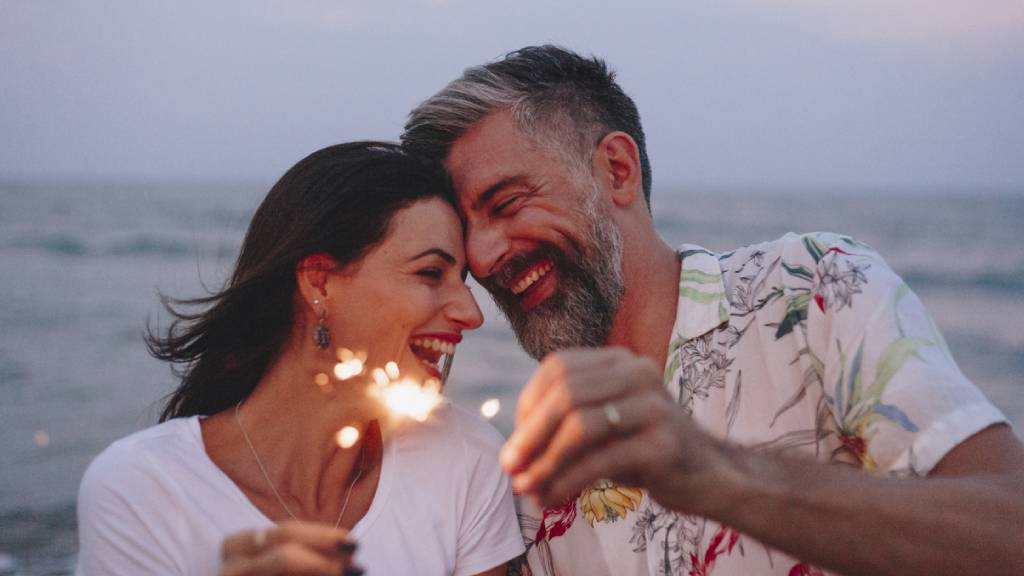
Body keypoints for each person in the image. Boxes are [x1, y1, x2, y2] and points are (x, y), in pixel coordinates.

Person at [402, 46, 1024, 576]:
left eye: (507, 204)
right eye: (467, 231)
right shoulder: (538, 479)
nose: (483, 258)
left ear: (617, 171)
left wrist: (715, 474)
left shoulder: (809, 293)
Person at [75, 142, 525, 576]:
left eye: (463, 280)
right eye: (430, 273)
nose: (470, 313)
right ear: (319, 283)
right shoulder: (142, 489)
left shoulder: (464, 458)